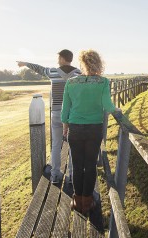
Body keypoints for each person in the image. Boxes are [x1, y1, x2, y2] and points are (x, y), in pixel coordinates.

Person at [61, 50, 121, 213]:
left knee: (77, 165)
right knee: (90, 165)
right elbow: (107, 106)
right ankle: (87, 202)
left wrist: (65, 127)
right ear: (98, 63)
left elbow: (65, 108)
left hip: (75, 128)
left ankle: (76, 200)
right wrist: (117, 110)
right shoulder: (102, 82)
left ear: (82, 63)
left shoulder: (71, 82)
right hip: (94, 129)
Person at [17, 49, 81, 184]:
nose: (57, 60)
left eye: (59, 58)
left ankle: (55, 175)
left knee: (56, 144)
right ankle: (72, 177)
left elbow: (39, 69)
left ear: (63, 58)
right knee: (73, 146)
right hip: (73, 114)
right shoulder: (78, 74)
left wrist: (25, 63)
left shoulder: (53, 72)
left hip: (57, 113)